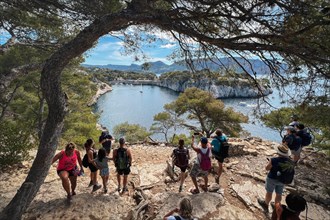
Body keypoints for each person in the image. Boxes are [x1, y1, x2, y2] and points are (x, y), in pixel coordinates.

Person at [258, 144, 292, 211]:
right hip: (282, 180)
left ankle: (266, 204)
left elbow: (267, 168)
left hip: (272, 179)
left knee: (269, 192)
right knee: (279, 194)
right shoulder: (290, 162)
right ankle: (276, 207)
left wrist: (270, 163)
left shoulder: (274, 160)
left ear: (278, 152)